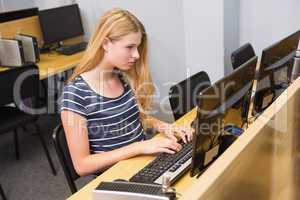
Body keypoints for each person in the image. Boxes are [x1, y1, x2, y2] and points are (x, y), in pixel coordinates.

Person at [60, 8, 194, 176]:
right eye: (130, 47)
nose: (137, 55)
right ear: (106, 43)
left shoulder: (120, 77)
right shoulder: (75, 94)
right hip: (118, 177)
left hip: (142, 163)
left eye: (137, 47)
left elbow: (134, 117)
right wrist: (139, 147)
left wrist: (164, 126)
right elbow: (82, 165)